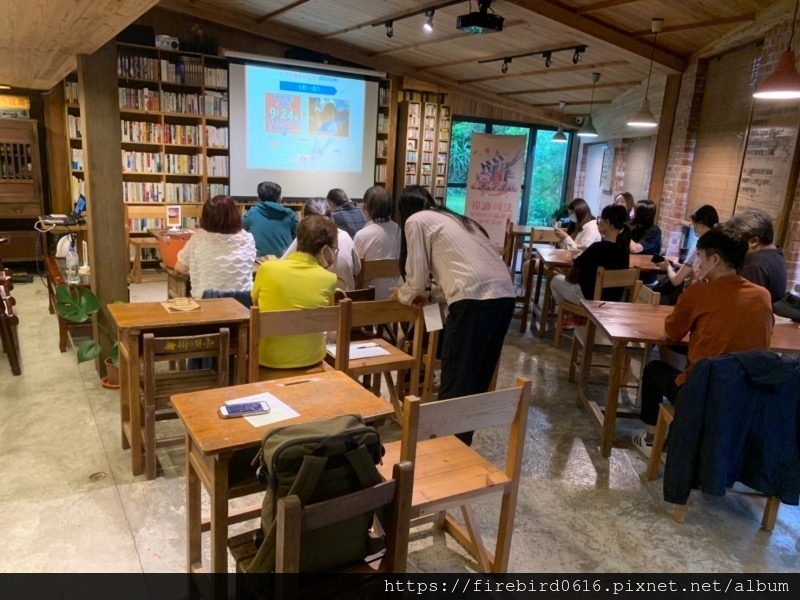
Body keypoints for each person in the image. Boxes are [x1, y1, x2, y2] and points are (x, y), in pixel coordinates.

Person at [632, 227, 774, 456]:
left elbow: (672, 332)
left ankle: (650, 439)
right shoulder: (763, 295)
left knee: (653, 369)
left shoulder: (700, 292)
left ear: (714, 259)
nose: (696, 261)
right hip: (747, 396)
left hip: (704, 393)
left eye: (699, 256)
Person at [393, 185, 515, 446]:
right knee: (476, 381)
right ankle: (462, 446)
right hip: (505, 297)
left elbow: (416, 281)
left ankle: (447, 451)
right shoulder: (459, 219)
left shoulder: (416, 220)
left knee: (456, 380)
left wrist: (401, 295)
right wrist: (431, 294)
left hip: (472, 301)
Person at [251, 217, 338, 369]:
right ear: (325, 250)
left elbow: (255, 305)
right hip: (311, 360)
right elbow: (325, 316)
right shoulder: (329, 279)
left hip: (268, 360)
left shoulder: (266, 269)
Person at [174, 195, 256, 299]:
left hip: (208, 305)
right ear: (235, 214)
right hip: (243, 305)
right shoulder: (248, 239)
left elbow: (179, 268)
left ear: (206, 217)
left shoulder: (199, 238)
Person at [550, 204, 631, 307]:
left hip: (590, 299)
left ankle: (572, 316)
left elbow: (576, 263)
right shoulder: (624, 250)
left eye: (601, 218)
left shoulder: (597, 247)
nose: (599, 221)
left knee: (555, 281)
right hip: (613, 303)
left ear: (608, 222)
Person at [282, 198, 361, 291]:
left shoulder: (303, 238)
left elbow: (283, 266)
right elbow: (357, 269)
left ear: (304, 219)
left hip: (317, 302)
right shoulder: (345, 236)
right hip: (347, 299)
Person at [724, 208, 788, 305]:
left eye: (735, 241)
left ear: (753, 242)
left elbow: (743, 306)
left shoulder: (753, 265)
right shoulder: (775, 254)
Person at [353, 185, 402, 300]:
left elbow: (354, 269)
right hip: (395, 295)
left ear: (366, 207)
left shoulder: (362, 235)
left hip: (368, 298)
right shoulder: (398, 231)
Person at [658, 204, 719, 288]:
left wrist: (668, 266)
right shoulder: (719, 245)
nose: (692, 228)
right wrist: (677, 265)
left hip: (690, 294)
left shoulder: (699, 249)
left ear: (700, 224)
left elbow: (676, 281)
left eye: (693, 224)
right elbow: (698, 270)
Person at [242, 181, 297, 257]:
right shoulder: (290, 215)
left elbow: (239, 233)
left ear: (258, 199)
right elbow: (300, 236)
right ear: (280, 199)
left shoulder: (251, 214)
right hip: (284, 261)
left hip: (259, 263)